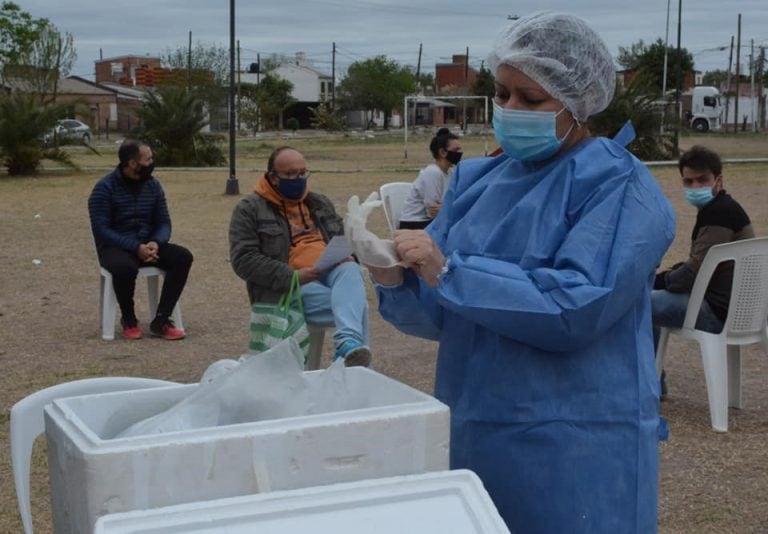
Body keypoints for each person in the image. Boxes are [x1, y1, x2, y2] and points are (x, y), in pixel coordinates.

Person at [356, 12, 675, 533]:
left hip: (578, 441)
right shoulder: (478, 181)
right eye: (502, 93)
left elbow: (576, 308)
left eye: (531, 100)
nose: (509, 110)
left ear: (579, 101)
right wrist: (392, 274)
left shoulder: (618, 187)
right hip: (478, 424)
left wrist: (449, 271)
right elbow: (446, 315)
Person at [229, 146, 371, 366]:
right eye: (290, 174)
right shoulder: (249, 209)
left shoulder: (318, 202)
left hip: (330, 273)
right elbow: (243, 259)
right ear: (273, 177)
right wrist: (292, 276)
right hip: (289, 287)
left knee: (350, 269)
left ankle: (345, 345)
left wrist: (347, 254)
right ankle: (352, 373)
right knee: (357, 309)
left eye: (303, 172)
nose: (299, 179)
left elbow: (341, 240)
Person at [653, 145, 754, 397]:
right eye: (689, 181)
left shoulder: (718, 214)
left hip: (716, 312)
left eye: (702, 180)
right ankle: (652, 377)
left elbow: (691, 275)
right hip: (738, 310)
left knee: (638, 303)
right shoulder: (726, 208)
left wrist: (657, 281)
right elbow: (702, 264)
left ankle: (650, 380)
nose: (695, 186)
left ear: (718, 180)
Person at [88, 140, 192, 340]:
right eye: (148, 159)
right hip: (116, 248)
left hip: (148, 245)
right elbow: (102, 230)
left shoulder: (153, 186)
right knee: (124, 268)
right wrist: (135, 247)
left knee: (182, 257)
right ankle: (128, 318)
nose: (152, 162)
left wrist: (156, 242)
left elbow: (164, 222)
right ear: (132, 163)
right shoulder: (104, 188)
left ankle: (161, 320)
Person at [398, 128, 462, 229]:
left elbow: (450, 202)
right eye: (456, 150)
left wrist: (447, 208)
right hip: (415, 223)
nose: (460, 153)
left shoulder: (451, 172)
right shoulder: (433, 173)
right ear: (442, 152)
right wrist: (450, 208)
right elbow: (432, 212)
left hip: (430, 222)